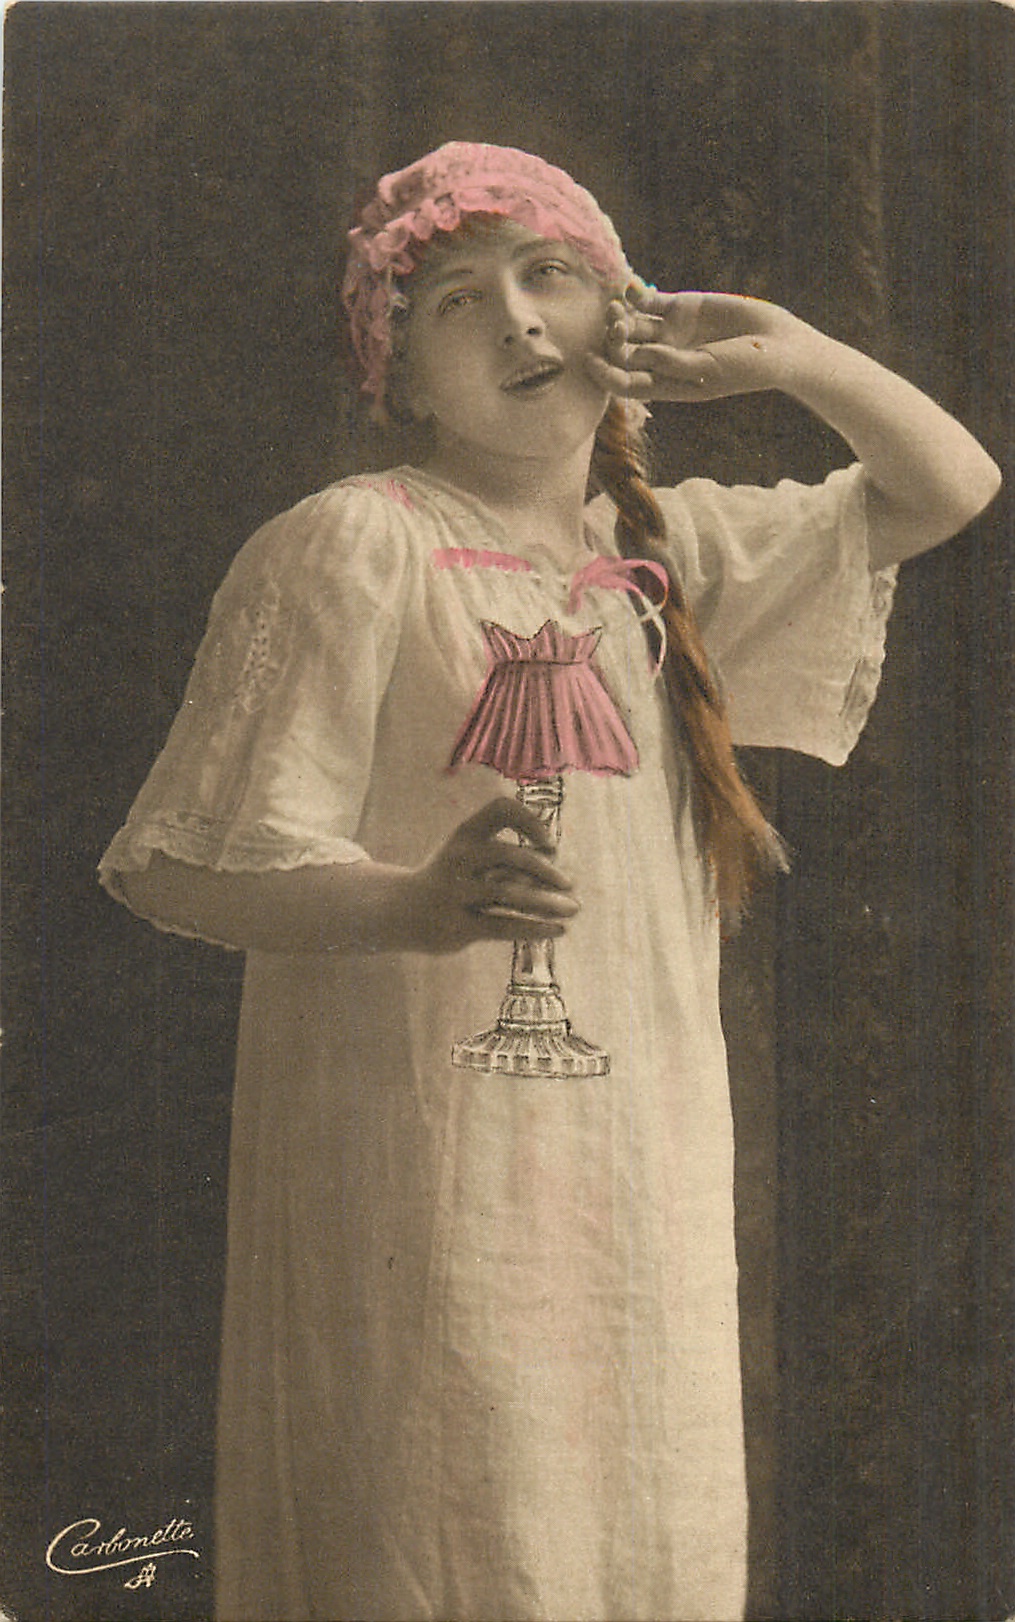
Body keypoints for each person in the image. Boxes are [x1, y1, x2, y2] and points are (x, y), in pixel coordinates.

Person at [98, 142, 999, 1622]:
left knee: (636, 1511)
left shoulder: (663, 555)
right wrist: (412, 905)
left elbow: (950, 484)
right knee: (451, 1515)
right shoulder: (357, 543)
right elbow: (188, 865)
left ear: (618, 319)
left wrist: (793, 354)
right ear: (397, 373)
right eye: (459, 300)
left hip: (636, 1157)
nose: (519, 320)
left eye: (553, 277)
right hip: (420, 1150)